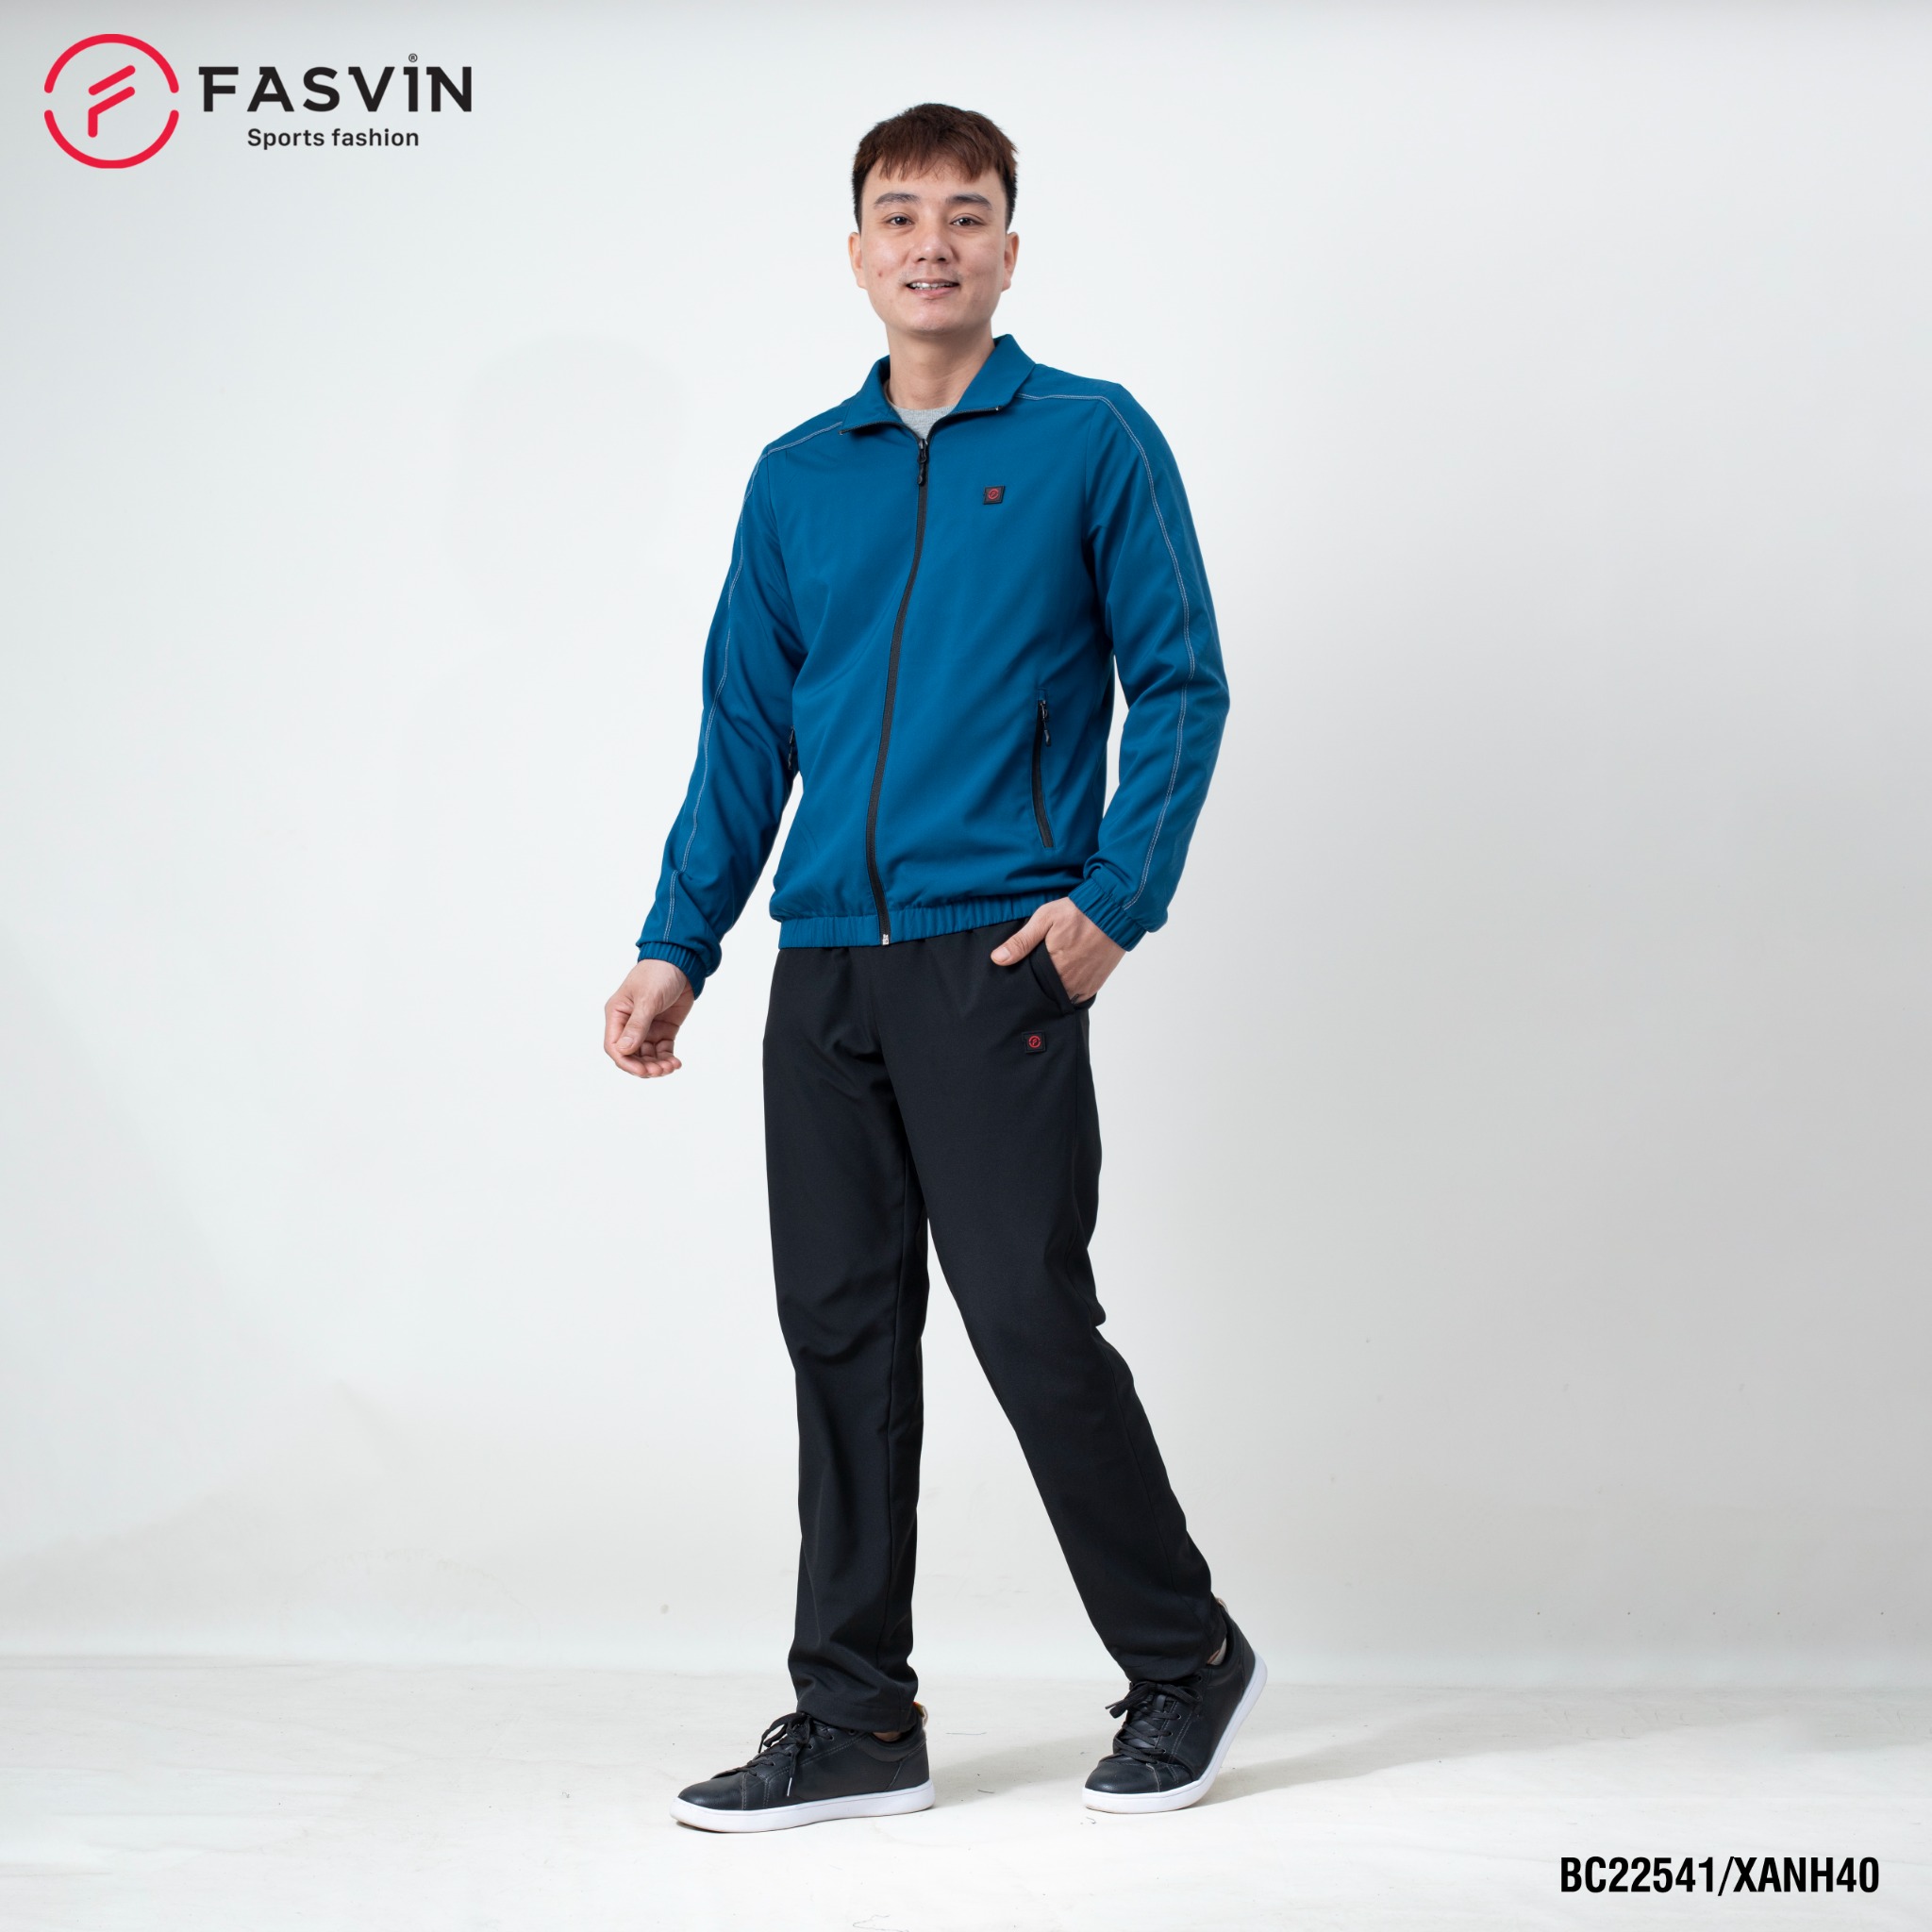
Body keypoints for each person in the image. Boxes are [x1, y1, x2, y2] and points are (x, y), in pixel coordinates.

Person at [603, 102, 1258, 1832]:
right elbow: (748, 728)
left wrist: (1113, 907)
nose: (932, 243)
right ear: (857, 253)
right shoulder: (798, 474)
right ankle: (855, 1719)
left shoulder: (1091, 438)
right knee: (839, 1332)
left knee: (1027, 1315)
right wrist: (681, 938)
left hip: (998, 954)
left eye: (966, 215)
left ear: (1009, 252)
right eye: (900, 215)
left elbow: (1180, 682)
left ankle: (1186, 1658)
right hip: (824, 962)